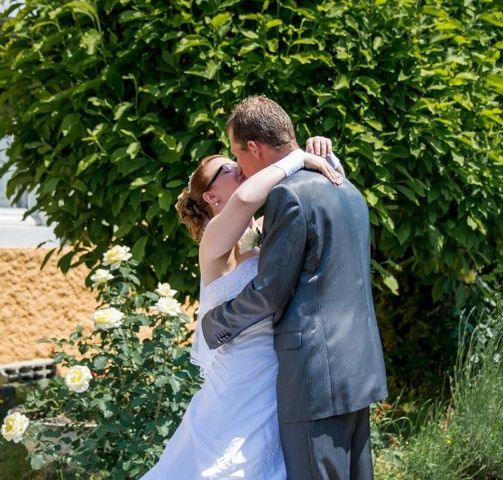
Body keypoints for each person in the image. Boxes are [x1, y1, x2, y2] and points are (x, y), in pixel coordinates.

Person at [201, 95, 388, 480]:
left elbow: (269, 293)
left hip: (315, 376)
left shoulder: (289, 196)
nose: (239, 165)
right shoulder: (345, 185)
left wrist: (214, 323)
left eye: (238, 154)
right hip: (359, 366)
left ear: (254, 147)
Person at [141, 139, 341, 479]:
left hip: (276, 373)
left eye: (235, 160)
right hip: (238, 380)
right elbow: (248, 196)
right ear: (211, 196)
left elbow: (328, 192)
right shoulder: (213, 241)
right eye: (225, 168)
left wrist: (325, 155)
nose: (237, 166)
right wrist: (296, 157)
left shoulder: (265, 227)